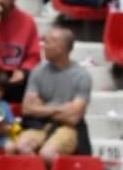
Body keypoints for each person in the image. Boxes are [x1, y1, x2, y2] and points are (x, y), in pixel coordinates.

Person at [17, 27, 91, 162]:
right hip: (39, 125)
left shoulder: (82, 76)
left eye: (48, 43)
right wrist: (60, 108)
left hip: (68, 129)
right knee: (22, 146)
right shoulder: (38, 71)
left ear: (60, 48)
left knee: (47, 153)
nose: (43, 46)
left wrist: (42, 107)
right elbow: (27, 109)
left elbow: (73, 118)